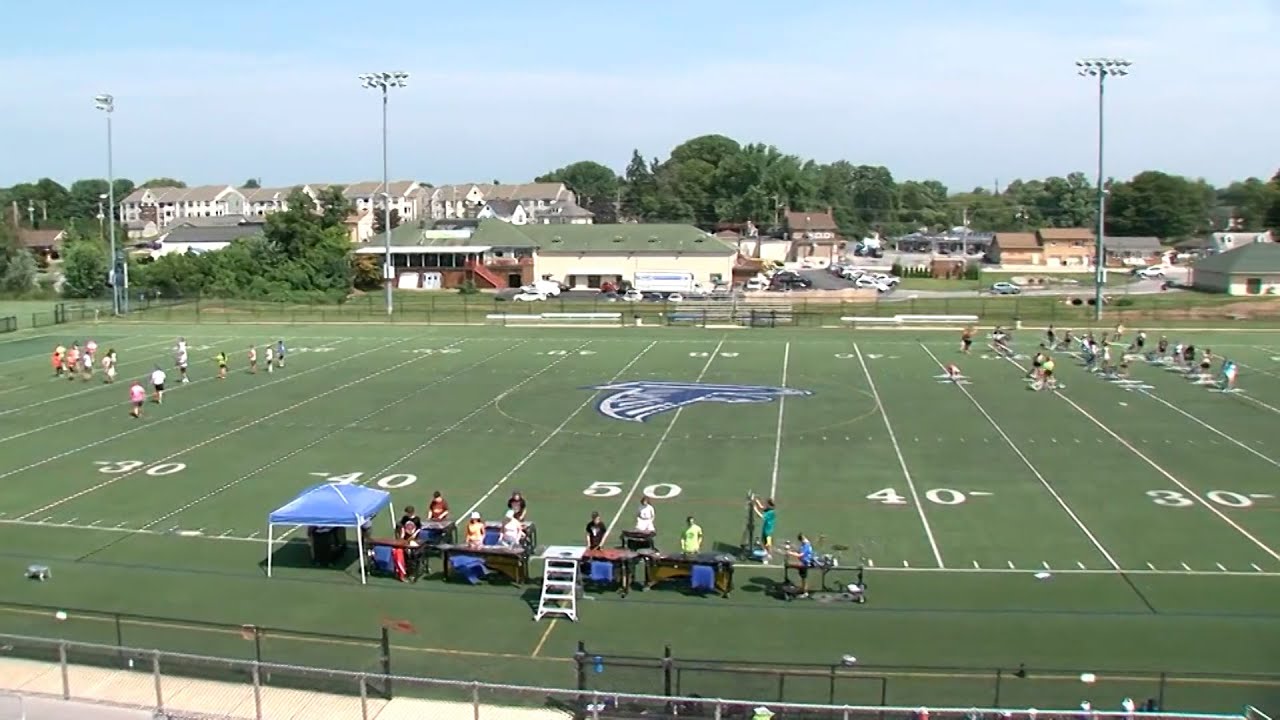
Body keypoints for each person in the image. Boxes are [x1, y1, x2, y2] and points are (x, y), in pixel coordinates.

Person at [786, 532, 815, 598]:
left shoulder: (806, 545)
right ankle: (802, 589)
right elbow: (799, 552)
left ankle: (805, 592)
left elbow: (800, 555)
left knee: (804, 578)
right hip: (802, 562)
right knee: (802, 578)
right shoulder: (804, 544)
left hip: (805, 563)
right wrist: (793, 551)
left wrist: (790, 553)